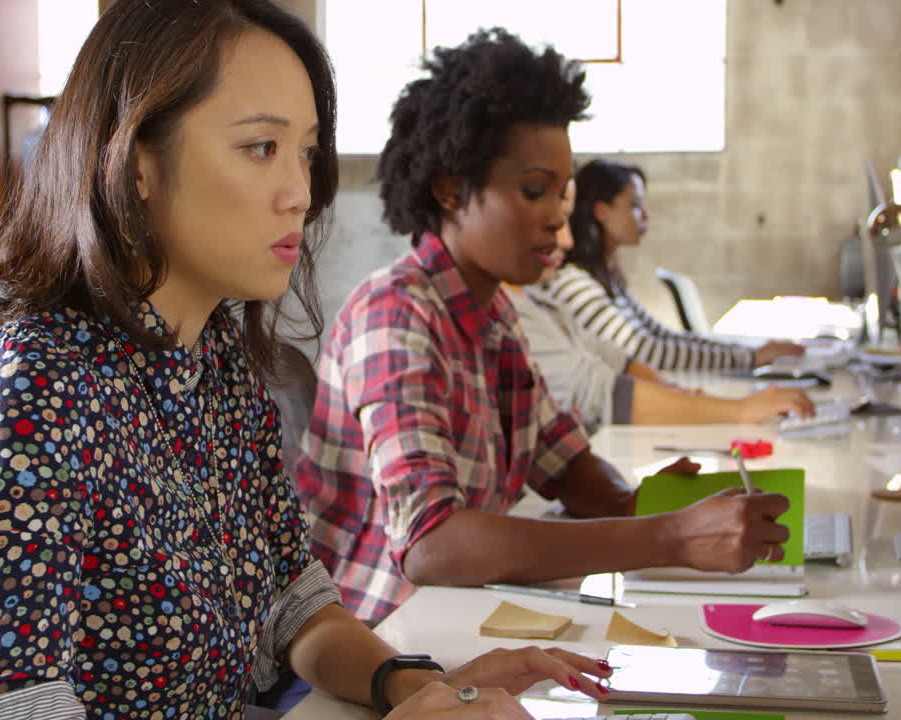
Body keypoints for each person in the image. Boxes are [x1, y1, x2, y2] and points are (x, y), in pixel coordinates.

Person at [0, 3, 611, 719]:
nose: (303, 194)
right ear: (137, 165)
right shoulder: (34, 383)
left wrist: (414, 683)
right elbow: (14, 705)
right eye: (261, 148)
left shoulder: (214, 358)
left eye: (307, 154)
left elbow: (292, 598)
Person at [295, 28, 791, 628]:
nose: (559, 215)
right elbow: (432, 545)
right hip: (380, 641)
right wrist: (666, 536)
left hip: (457, 623)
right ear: (451, 189)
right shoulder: (396, 317)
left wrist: (630, 502)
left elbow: (563, 459)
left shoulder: (495, 314)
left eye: (563, 192)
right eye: (534, 190)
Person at [507, 182, 814, 434]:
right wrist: (742, 400)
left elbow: (618, 354)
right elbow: (637, 358)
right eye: (635, 206)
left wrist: (686, 394)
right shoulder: (571, 285)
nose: (566, 240)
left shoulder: (569, 290)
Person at [547, 158, 804, 371]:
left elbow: (661, 336)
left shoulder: (606, 278)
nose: (645, 216)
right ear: (602, 211)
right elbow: (646, 353)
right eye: (635, 205)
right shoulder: (575, 283)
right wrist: (750, 357)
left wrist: (750, 351)